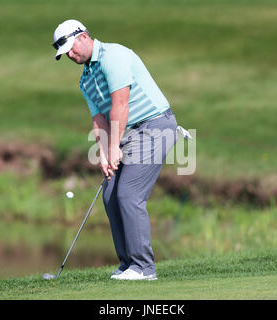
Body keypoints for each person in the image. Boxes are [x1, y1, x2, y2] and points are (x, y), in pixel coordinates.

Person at [53, 19, 178, 280]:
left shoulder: (115, 56)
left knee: (129, 194)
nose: (71, 56)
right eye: (66, 55)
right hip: (129, 132)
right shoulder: (85, 80)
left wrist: (115, 147)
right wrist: (104, 154)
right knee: (110, 194)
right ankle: (127, 264)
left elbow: (120, 105)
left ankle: (144, 268)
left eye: (72, 49)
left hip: (154, 126)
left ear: (84, 36)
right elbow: (99, 119)